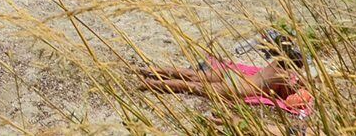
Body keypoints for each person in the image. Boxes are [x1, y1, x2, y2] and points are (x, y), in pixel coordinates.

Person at [131, 41, 312, 120]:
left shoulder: (279, 68)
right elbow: (290, 103)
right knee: (190, 85)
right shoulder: (284, 82)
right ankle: (150, 83)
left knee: (191, 77)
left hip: (237, 76)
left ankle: (150, 71)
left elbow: (291, 95)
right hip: (239, 86)